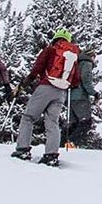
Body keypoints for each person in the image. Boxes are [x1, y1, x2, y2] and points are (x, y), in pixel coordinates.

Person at [12, 28, 81, 166]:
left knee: (28, 118)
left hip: (46, 86)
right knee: (52, 123)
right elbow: (76, 80)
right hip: (61, 92)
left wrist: (24, 83)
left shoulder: (51, 50)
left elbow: (37, 68)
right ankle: (51, 155)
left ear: (56, 38)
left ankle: (23, 149)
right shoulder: (73, 56)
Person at [61, 49, 102, 150]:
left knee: (73, 124)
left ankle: (61, 144)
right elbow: (86, 80)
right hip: (80, 97)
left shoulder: (76, 63)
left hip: (69, 97)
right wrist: (94, 93)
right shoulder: (86, 63)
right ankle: (70, 143)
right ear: (91, 55)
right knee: (86, 122)